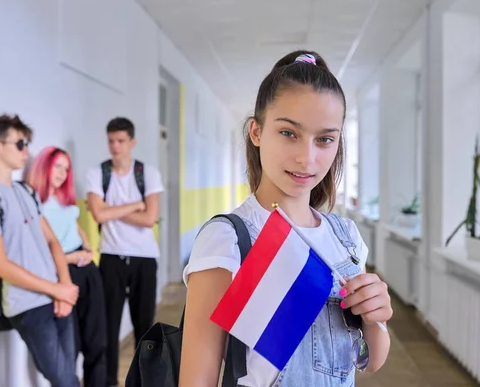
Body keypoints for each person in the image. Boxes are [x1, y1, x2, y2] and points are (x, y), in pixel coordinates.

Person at [179, 51, 393, 386]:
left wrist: (376, 319)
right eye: (289, 133)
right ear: (257, 132)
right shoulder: (229, 239)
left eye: (324, 139)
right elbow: (196, 380)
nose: (306, 159)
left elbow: (370, 361)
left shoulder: (346, 238)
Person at [0, 114, 80, 387]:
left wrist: (64, 285)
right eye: (20, 144)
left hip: (57, 294)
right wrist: (57, 290)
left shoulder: (24, 191)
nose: (26, 152)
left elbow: (53, 241)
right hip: (27, 303)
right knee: (62, 378)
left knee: (69, 372)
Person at [86, 117, 164, 387]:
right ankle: (107, 381)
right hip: (110, 257)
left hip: (144, 259)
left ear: (132, 142)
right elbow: (97, 213)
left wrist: (112, 210)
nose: (115, 147)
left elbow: (149, 218)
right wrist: (135, 206)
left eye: (120, 141)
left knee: (145, 327)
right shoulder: (97, 173)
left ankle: (142, 381)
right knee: (107, 326)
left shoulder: (148, 173)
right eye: (111, 141)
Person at [25, 146, 107, 387]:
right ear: (44, 166)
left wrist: (87, 247)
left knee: (97, 340)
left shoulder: (65, 198)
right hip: (62, 272)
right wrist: (71, 259)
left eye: (66, 168)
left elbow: (74, 224)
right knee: (71, 347)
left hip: (86, 268)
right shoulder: (33, 202)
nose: (62, 173)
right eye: (57, 166)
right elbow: (40, 249)